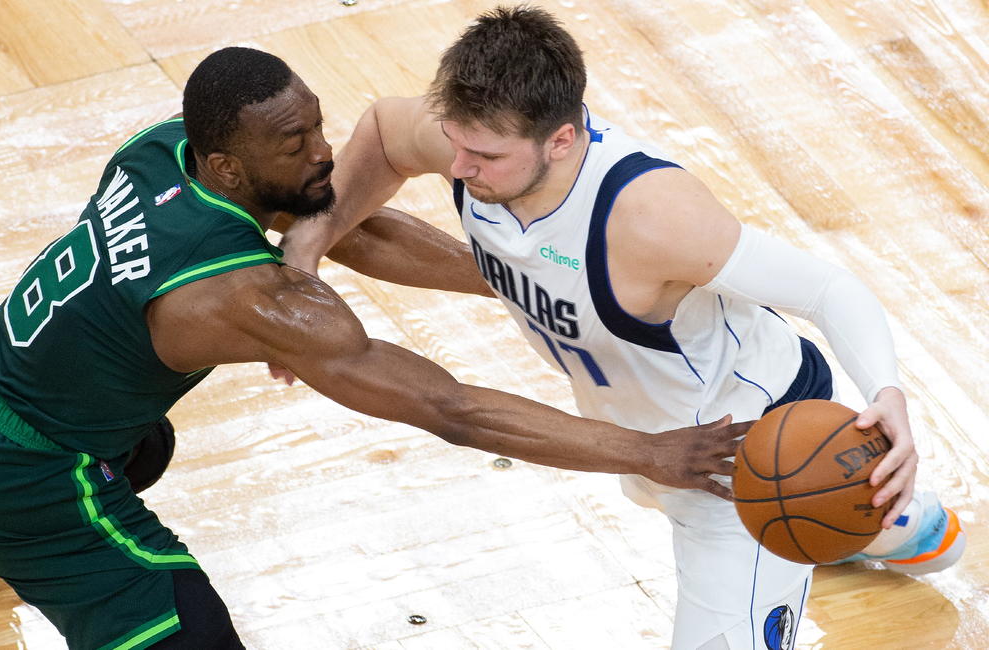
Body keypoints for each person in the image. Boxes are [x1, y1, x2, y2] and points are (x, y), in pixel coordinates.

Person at [0, 46, 755, 649]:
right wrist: (648, 451)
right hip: (29, 477)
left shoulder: (165, 148)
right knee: (189, 630)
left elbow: (353, 222)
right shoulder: (248, 299)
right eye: (293, 141)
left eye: (315, 123)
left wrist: (522, 283)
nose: (321, 152)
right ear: (227, 163)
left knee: (145, 443)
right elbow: (452, 410)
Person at [277, 6, 967, 649]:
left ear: (562, 139)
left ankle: (836, 492)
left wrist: (890, 392)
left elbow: (825, 287)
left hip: (741, 460)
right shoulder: (471, 142)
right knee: (690, 485)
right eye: (456, 145)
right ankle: (863, 514)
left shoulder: (653, 215)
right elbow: (382, 136)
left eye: (483, 157)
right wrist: (308, 248)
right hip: (644, 436)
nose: (459, 169)